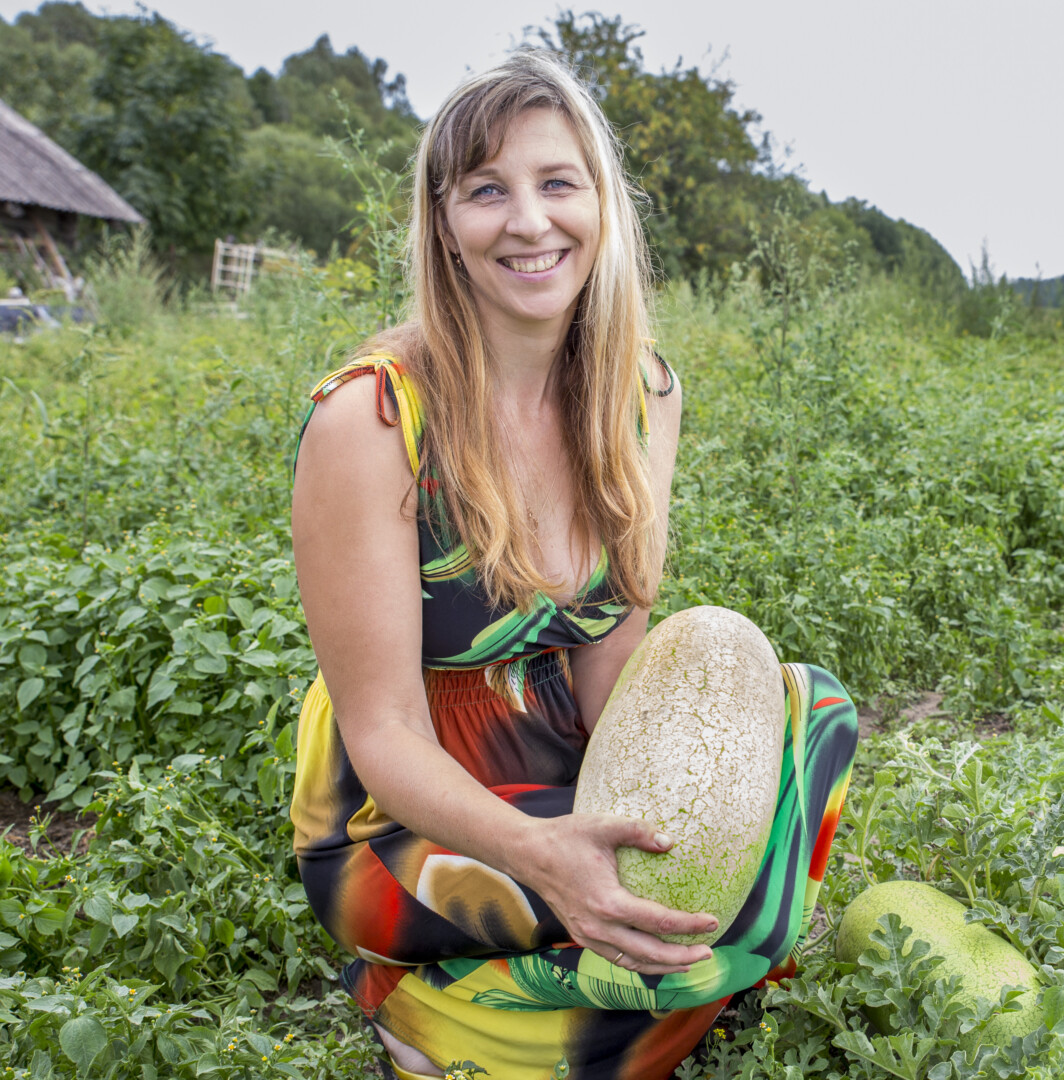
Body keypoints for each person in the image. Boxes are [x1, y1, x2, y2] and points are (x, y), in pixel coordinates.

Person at [288, 50, 858, 1080]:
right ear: (443, 224)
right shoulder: (371, 421)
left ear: (602, 203)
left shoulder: (642, 393)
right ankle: (430, 1015)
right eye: (486, 192)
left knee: (807, 727)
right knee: (660, 918)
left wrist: (651, 811)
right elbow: (379, 734)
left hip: (555, 757)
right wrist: (551, 854)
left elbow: (612, 649)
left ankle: (570, 993)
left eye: (558, 183)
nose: (529, 222)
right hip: (403, 809)